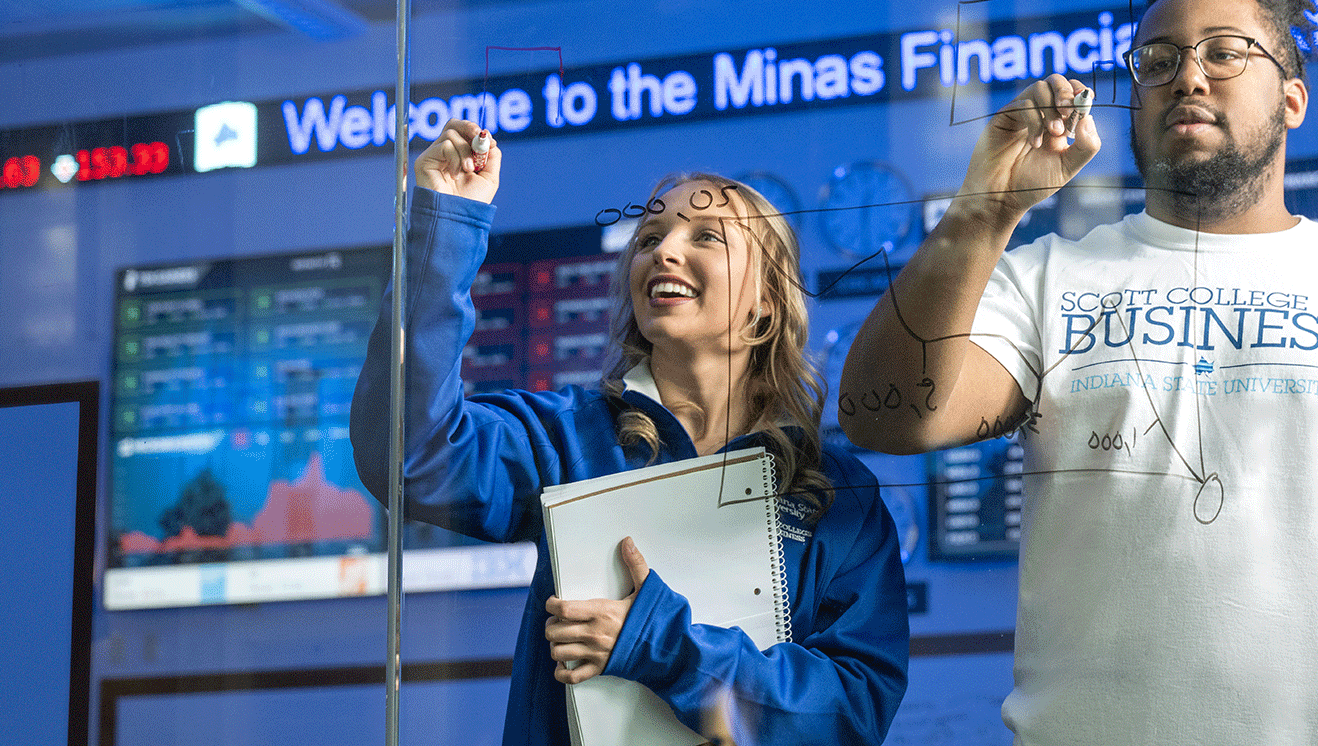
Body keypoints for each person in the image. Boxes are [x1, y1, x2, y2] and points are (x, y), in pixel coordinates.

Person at [839, 0, 1318, 746]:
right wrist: (982, 213)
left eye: (1227, 52)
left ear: (1293, 99)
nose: (1190, 76)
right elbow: (886, 417)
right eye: (1159, 59)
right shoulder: (1045, 280)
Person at [352, 119, 910, 745]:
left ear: (767, 302)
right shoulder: (565, 439)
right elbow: (412, 457)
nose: (664, 251)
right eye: (649, 237)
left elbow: (853, 710)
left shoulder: (837, 496)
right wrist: (446, 223)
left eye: (706, 236)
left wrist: (658, 645)